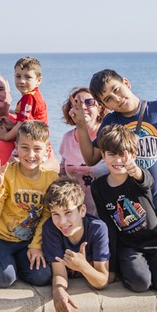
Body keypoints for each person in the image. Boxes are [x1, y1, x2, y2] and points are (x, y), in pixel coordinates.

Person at [75, 69, 157, 255]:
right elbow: (92, 158)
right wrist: (81, 126)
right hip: (133, 204)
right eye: (108, 99)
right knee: (138, 257)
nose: (117, 98)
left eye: (116, 89)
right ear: (105, 105)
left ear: (126, 83)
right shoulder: (111, 121)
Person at [91, 125, 157, 293]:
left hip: (156, 242)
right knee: (140, 283)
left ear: (133, 155)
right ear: (103, 155)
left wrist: (136, 171)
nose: (118, 160)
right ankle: (129, 269)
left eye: (123, 154)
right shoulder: (98, 187)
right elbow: (108, 228)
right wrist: (112, 267)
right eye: (112, 154)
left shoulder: (138, 176)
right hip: (129, 246)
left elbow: (146, 181)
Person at [0, 120, 59, 287]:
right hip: (0, 238)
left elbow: (47, 216)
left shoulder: (51, 178)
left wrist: (36, 245)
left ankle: (16, 263)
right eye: (25, 148)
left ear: (47, 150)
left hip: (28, 241)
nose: (30, 155)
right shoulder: (6, 173)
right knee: (3, 279)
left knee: (42, 277)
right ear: (16, 147)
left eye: (37, 149)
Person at [42, 178, 110, 312]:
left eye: (68, 213)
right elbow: (59, 273)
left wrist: (83, 266)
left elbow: (102, 282)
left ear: (82, 210)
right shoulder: (51, 229)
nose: (62, 222)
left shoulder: (97, 229)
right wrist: (58, 291)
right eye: (56, 214)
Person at [58, 86, 106, 215]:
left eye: (89, 102)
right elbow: (61, 173)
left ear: (100, 107)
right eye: (77, 103)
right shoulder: (67, 138)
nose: (83, 107)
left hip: (104, 213)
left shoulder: (107, 135)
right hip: (76, 214)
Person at [0, 56, 47, 142]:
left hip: (33, 142)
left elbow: (23, 123)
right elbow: (29, 122)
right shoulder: (35, 95)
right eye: (18, 76)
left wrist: (5, 136)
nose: (22, 81)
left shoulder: (29, 97)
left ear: (38, 80)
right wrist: (13, 124)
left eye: (28, 77)